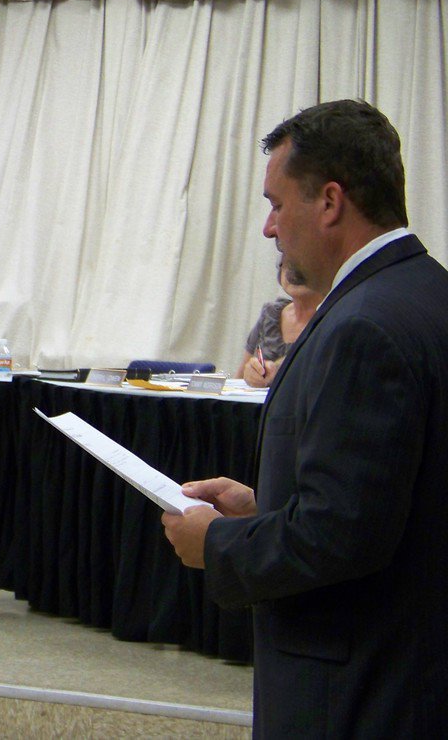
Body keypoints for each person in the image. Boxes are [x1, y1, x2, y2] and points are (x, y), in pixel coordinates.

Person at [161, 100, 448, 736]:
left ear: (330, 202)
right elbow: (388, 499)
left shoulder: (364, 326)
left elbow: (341, 536)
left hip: (356, 691)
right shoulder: (427, 292)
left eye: (276, 203)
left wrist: (218, 543)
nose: (268, 228)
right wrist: (266, 511)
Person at [234, 258, 323, 387]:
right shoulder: (271, 313)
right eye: (287, 265)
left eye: (301, 268)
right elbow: (240, 377)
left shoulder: (332, 316)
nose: (293, 274)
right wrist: (251, 373)